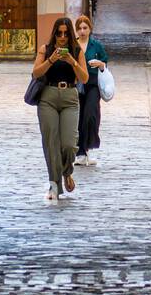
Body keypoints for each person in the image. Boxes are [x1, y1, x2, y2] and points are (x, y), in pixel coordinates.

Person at [31, 16, 88, 203]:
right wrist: (51, 59)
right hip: (47, 98)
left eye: (65, 33)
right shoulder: (45, 50)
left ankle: (67, 172)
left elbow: (84, 78)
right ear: (54, 33)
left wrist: (72, 61)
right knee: (51, 143)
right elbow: (36, 72)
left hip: (70, 97)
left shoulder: (77, 51)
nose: (62, 37)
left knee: (69, 144)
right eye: (59, 33)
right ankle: (54, 184)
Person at [74, 15, 108, 166]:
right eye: (80, 28)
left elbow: (105, 63)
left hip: (93, 84)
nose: (82, 31)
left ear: (90, 29)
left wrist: (100, 64)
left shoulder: (96, 45)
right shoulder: (73, 46)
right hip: (77, 85)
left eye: (85, 28)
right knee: (78, 118)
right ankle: (81, 152)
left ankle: (89, 147)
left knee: (91, 115)